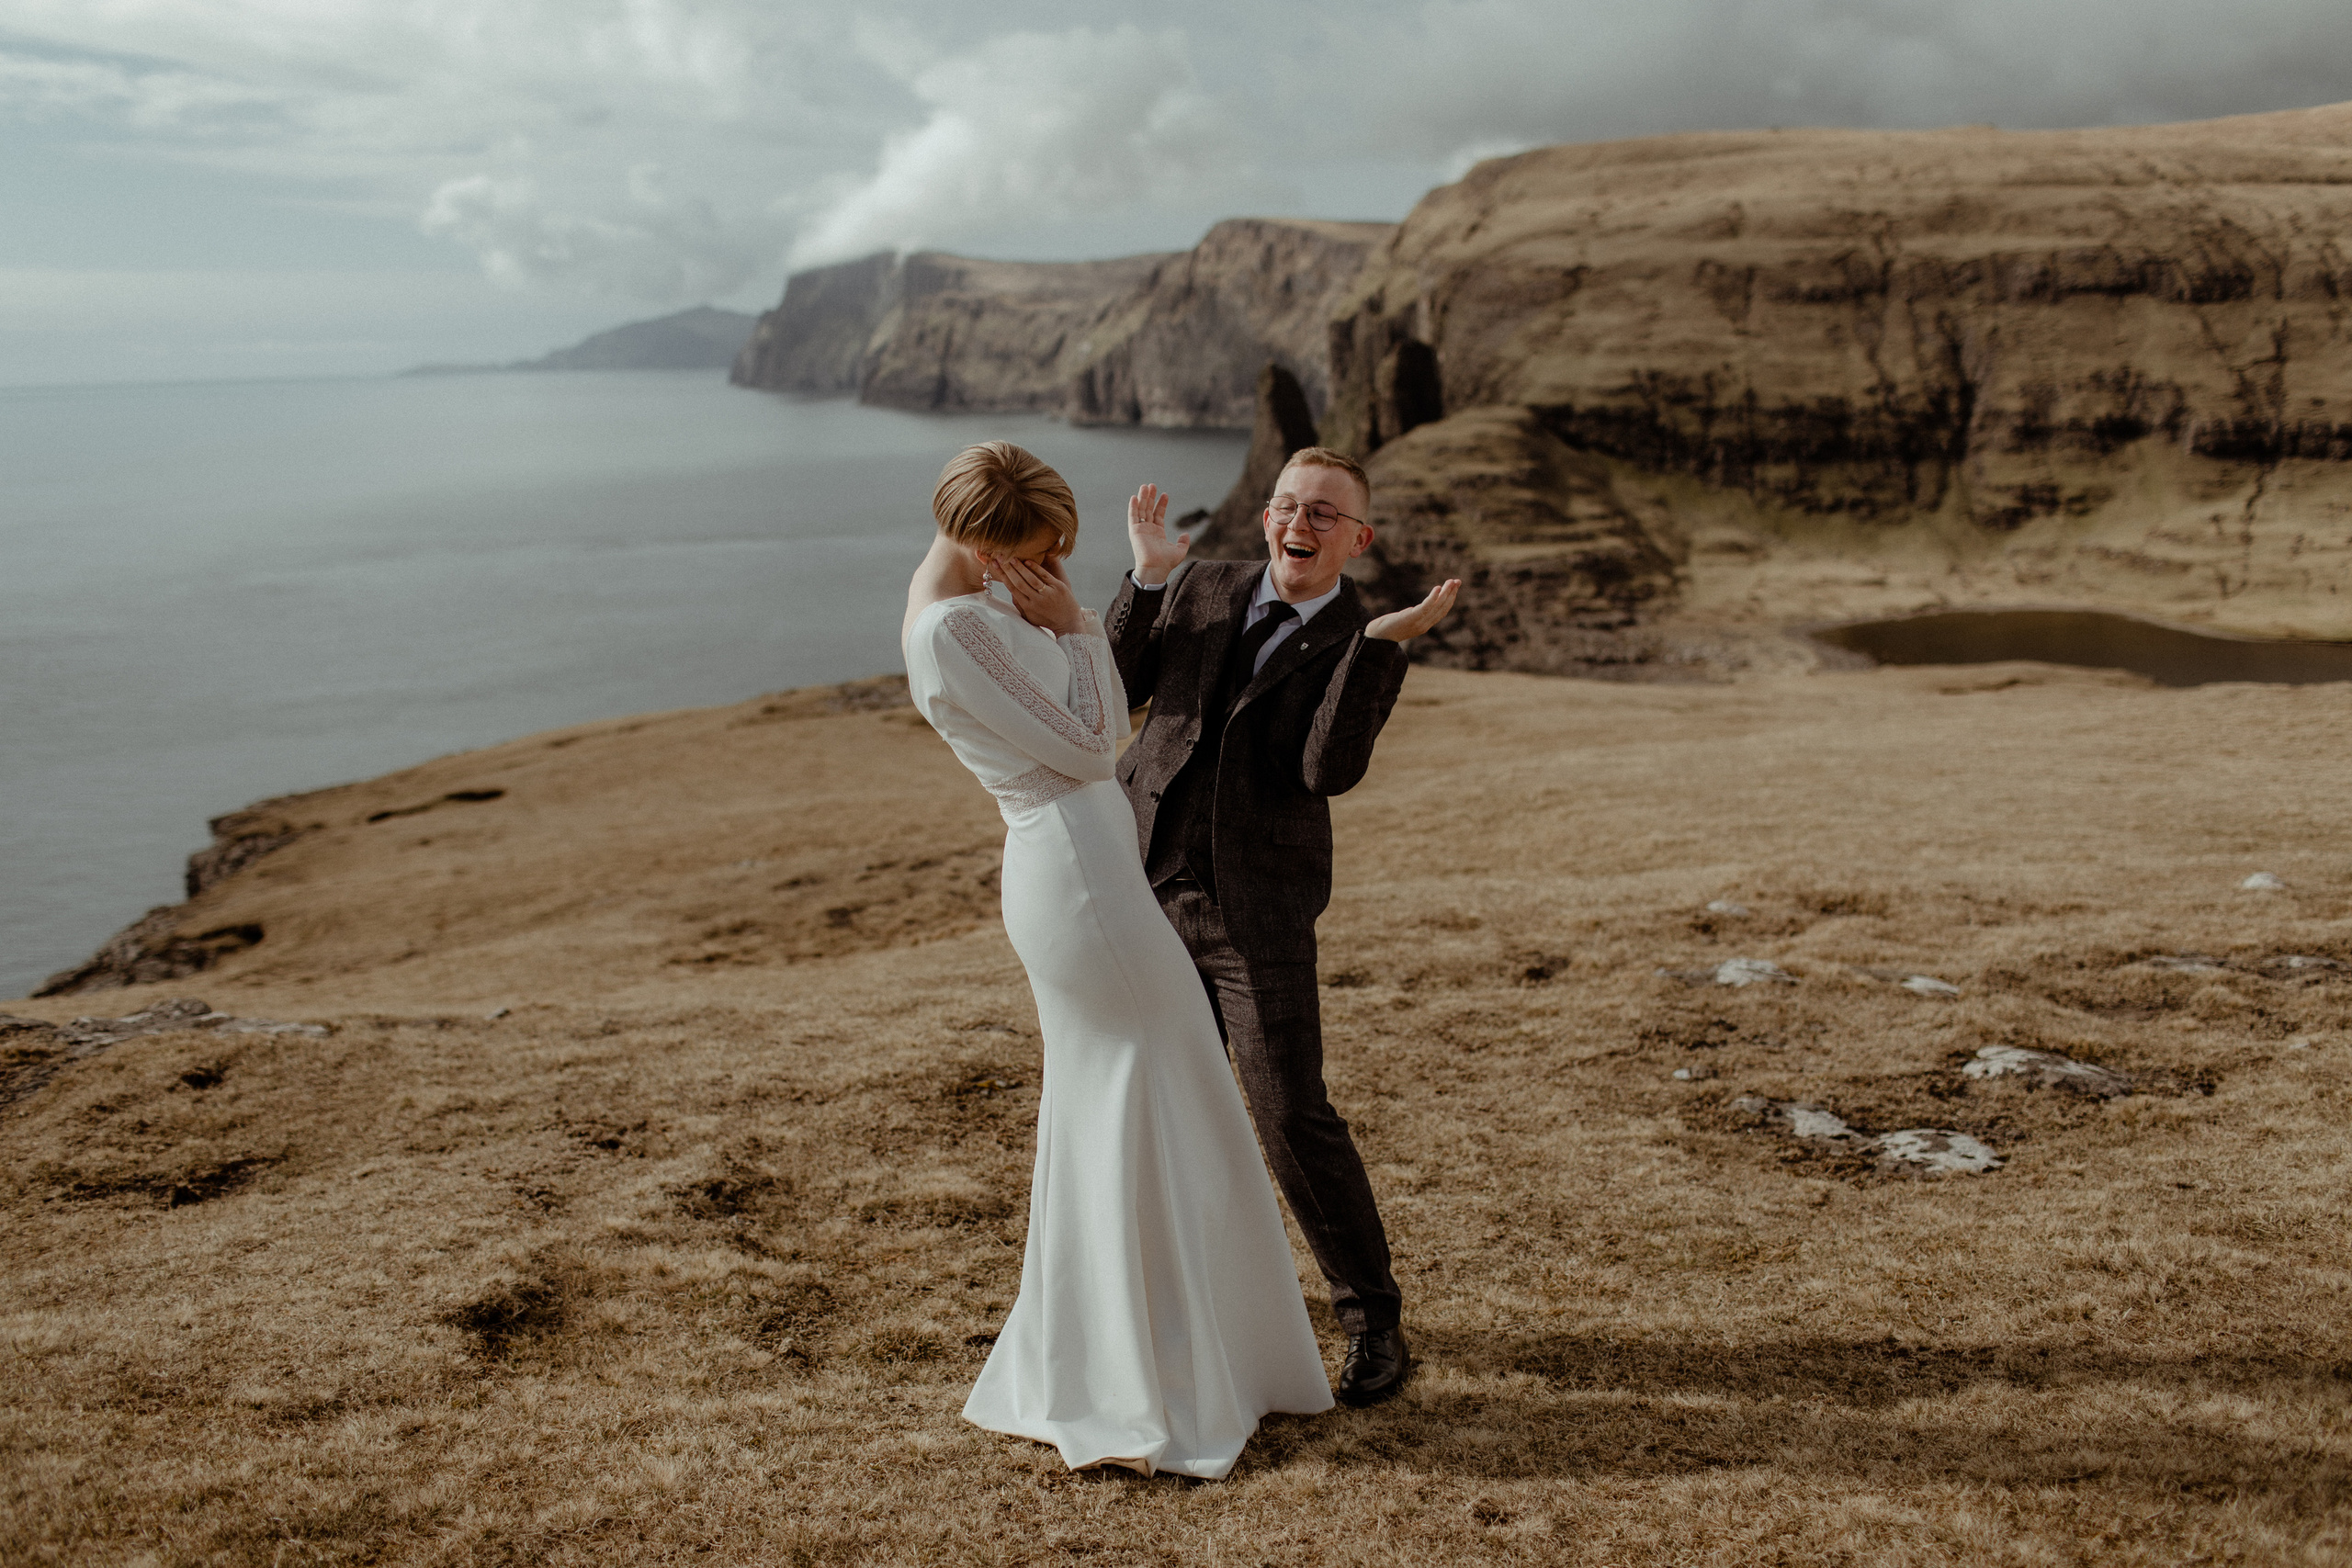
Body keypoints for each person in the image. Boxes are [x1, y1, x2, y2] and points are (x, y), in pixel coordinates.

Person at [901, 441, 1333, 1480]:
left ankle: (1198, 1347)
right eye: (1035, 552)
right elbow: (1095, 745)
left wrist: (1083, 610)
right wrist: (1082, 624)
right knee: (1155, 1077)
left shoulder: (987, 598)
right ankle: (1149, 1371)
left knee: (1149, 1087)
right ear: (975, 542)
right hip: (1074, 874)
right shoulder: (954, 628)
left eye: (1059, 550)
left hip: (1095, 866)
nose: (1048, 566)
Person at [1104, 446, 1460, 1407]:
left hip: (1255, 918)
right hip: (1142, 887)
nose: (1299, 524)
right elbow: (1110, 686)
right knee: (1146, 1109)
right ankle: (1143, 1308)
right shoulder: (1199, 586)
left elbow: (1323, 771)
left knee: (1289, 1116)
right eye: (1286, 506)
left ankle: (1372, 1321)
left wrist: (1381, 647)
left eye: (1324, 514)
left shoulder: (1357, 632)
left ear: (1357, 537)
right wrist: (1143, 578)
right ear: (1265, 517)